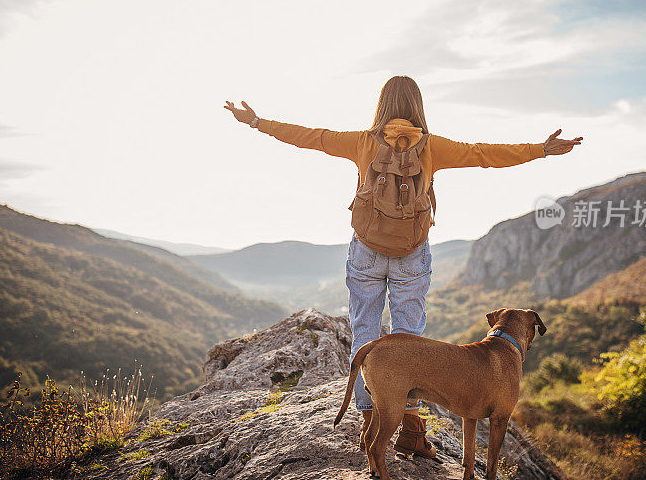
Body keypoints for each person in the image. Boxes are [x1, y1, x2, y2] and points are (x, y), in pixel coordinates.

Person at [223, 75, 582, 458]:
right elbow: (483, 154)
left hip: (366, 250)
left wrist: (257, 122)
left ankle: (370, 420)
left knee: (365, 333)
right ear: (418, 106)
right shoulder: (433, 147)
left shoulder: (363, 141)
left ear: (382, 104)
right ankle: (409, 432)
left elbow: (313, 136)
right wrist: (541, 149)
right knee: (409, 339)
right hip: (412, 252)